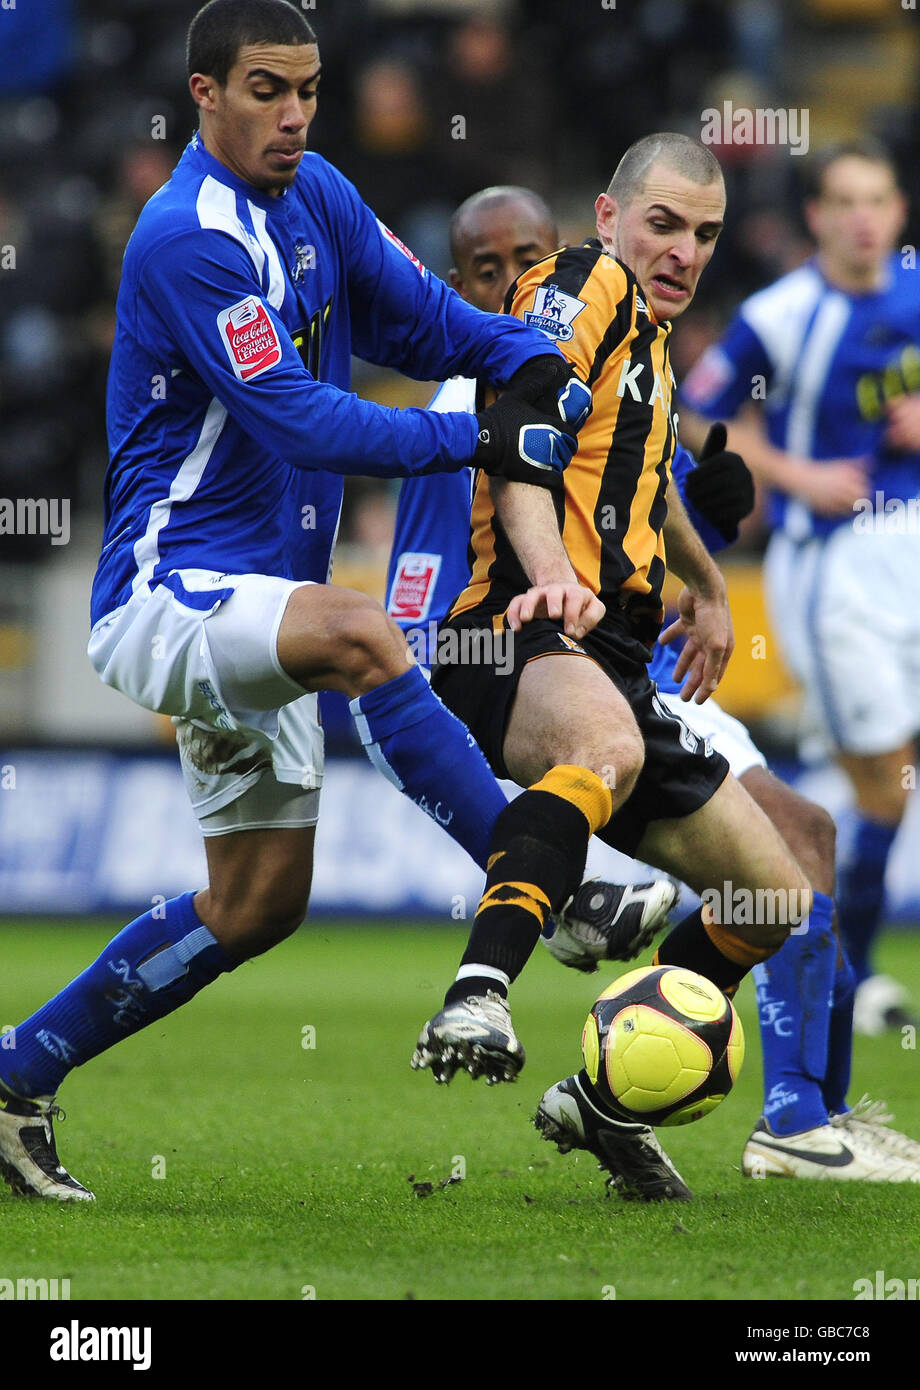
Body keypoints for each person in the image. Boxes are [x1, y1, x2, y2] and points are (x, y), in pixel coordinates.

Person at [0, 0, 608, 1204]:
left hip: (258, 601)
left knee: (255, 905)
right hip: (167, 590)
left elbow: (418, 317)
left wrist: (522, 358)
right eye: (267, 90)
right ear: (203, 94)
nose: (293, 114)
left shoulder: (319, 191)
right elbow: (296, 415)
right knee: (362, 628)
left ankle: (15, 1078)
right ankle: (543, 880)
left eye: (309, 90)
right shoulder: (185, 238)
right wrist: (474, 432)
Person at [394, 183, 920, 1186]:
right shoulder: (581, 285)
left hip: (614, 657)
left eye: (706, 234)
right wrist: (548, 576)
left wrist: (710, 585)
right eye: (664, 225)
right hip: (512, 629)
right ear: (607, 217)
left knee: (771, 901)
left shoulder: (648, 344)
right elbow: (520, 438)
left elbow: (643, 488)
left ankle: (597, 1100)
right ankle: (478, 988)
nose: (683, 251)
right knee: (607, 748)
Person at [679, 139, 920, 1037]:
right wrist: (792, 473)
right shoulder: (783, 315)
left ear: (898, 214)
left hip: (913, 545)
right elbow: (702, 403)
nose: (866, 219)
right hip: (835, 566)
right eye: (846, 202)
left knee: (894, 778)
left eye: (881, 200)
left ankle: (849, 963)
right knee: (881, 787)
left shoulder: (914, 287)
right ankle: (845, 973)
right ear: (816, 216)